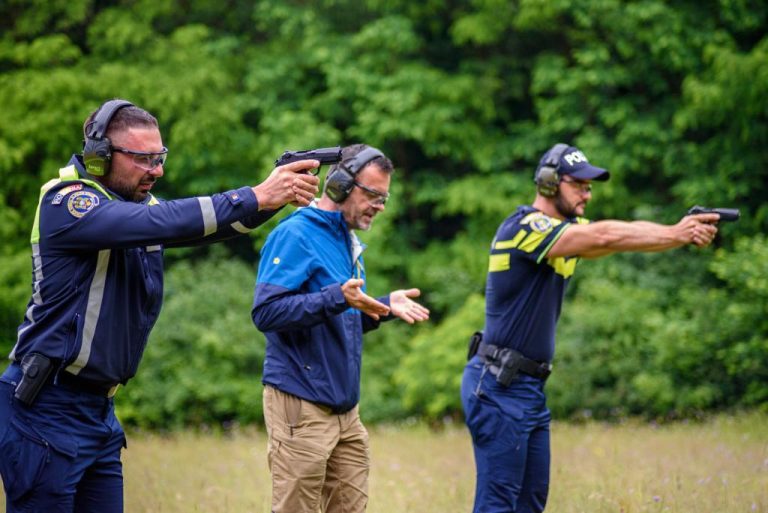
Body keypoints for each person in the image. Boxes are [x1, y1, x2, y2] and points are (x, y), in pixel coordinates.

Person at [0, 98, 320, 512]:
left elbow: (204, 227)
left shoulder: (137, 208)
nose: (157, 170)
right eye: (144, 159)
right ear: (99, 156)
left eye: (159, 158)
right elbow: (162, 221)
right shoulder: (67, 201)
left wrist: (269, 201)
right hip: (46, 406)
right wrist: (256, 194)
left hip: (97, 411)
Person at [460, 143, 721, 513]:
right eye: (579, 185)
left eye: (590, 186)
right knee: (498, 505)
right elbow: (604, 236)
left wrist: (677, 229)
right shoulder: (524, 227)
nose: (587, 193)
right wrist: (676, 234)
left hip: (527, 388)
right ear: (549, 183)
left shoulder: (566, 232)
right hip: (499, 387)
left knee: (530, 503)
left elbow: (621, 232)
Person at [251, 143, 430, 513]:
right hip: (301, 404)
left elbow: (339, 315)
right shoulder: (296, 234)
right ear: (340, 186)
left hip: (346, 411)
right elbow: (266, 313)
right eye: (374, 195)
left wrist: (384, 307)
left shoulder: (346, 240)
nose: (380, 206)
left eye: (384, 198)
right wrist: (336, 297)